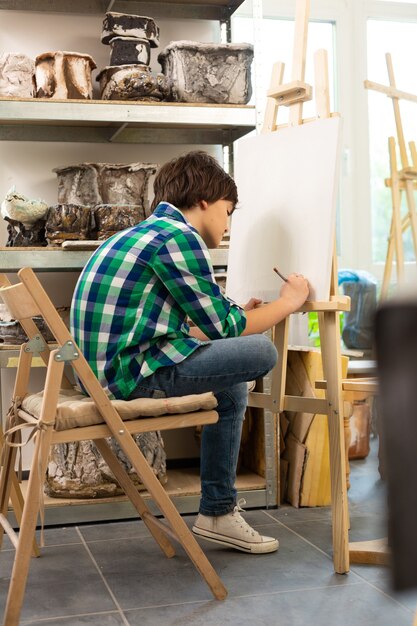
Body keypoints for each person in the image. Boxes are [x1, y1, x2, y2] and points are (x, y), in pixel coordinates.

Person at [70, 150, 309, 554]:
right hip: (128, 378)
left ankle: (217, 512)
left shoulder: (142, 233)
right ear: (204, 201)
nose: (228, 223)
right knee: (262, 352)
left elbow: (176, 325)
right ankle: (217, 511)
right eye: (228, 211)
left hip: (95, 374)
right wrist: (288, 301)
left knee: (232, 386)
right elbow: (226, 328)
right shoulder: (181, 238)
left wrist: (233, 319)